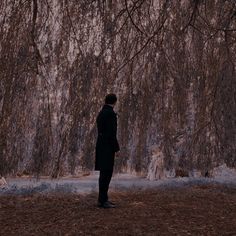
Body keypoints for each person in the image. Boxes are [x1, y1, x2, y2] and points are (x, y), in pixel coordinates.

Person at [95, 93, 120, 208]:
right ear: (114, 102)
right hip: (108, 147)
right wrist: (116, 148)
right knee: (107, 173)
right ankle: (103, 200)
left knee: (103, 174)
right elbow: (112, 133)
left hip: (100, 145)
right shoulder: (110, 114)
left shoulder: (101, 113)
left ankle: (102, 199)